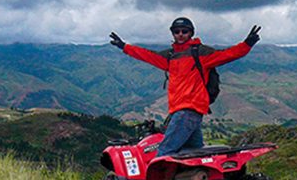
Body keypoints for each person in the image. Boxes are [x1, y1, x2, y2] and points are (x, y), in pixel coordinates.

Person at [109, 17, 261, 156]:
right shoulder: (170, 56)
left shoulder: (200, 53)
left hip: (188, 110)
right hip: (180, 111)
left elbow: (228, 54)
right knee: (193, 154)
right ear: (173, 34)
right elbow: (147, 55)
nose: (180, 34)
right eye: (177, 31)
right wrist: (124, 46)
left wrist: (247, 44)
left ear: (191, 33)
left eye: (184, 31)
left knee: (164, 153)